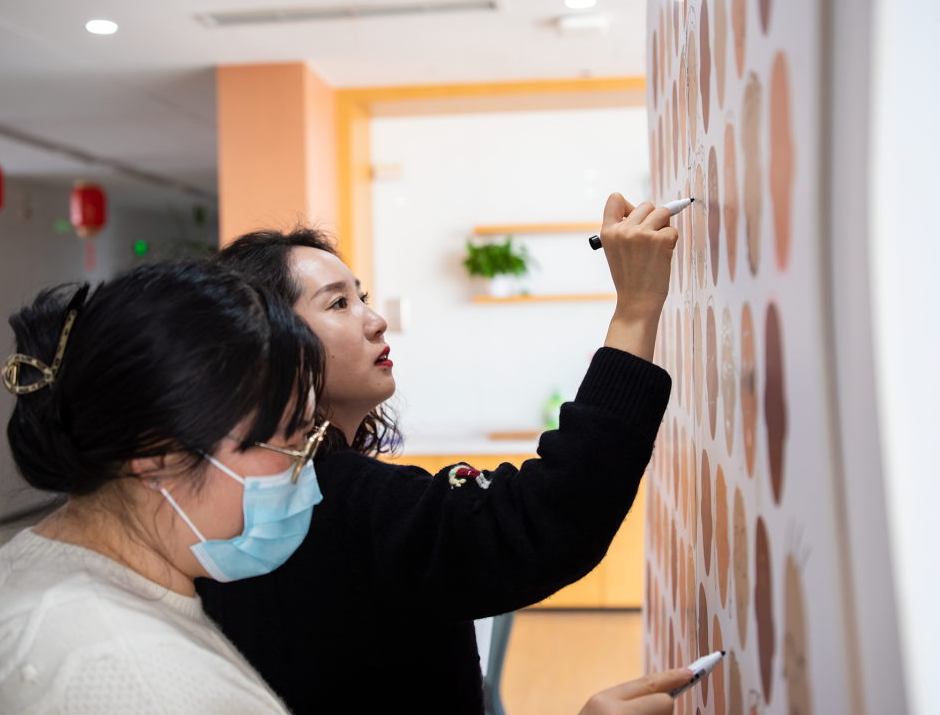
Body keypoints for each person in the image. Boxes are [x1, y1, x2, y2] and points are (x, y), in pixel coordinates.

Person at [197, 194, 681, 715]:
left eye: (361, 297)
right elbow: (551, 514)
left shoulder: (229, 504)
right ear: (270, 343)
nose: (375, 320)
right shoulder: (347, 502)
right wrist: (636, 307)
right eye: (338, 304)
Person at [0, 260, 326, 714]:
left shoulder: (29, 564)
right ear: (158, 452)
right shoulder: (138, 679)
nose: (303, 467)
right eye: (290, 443)